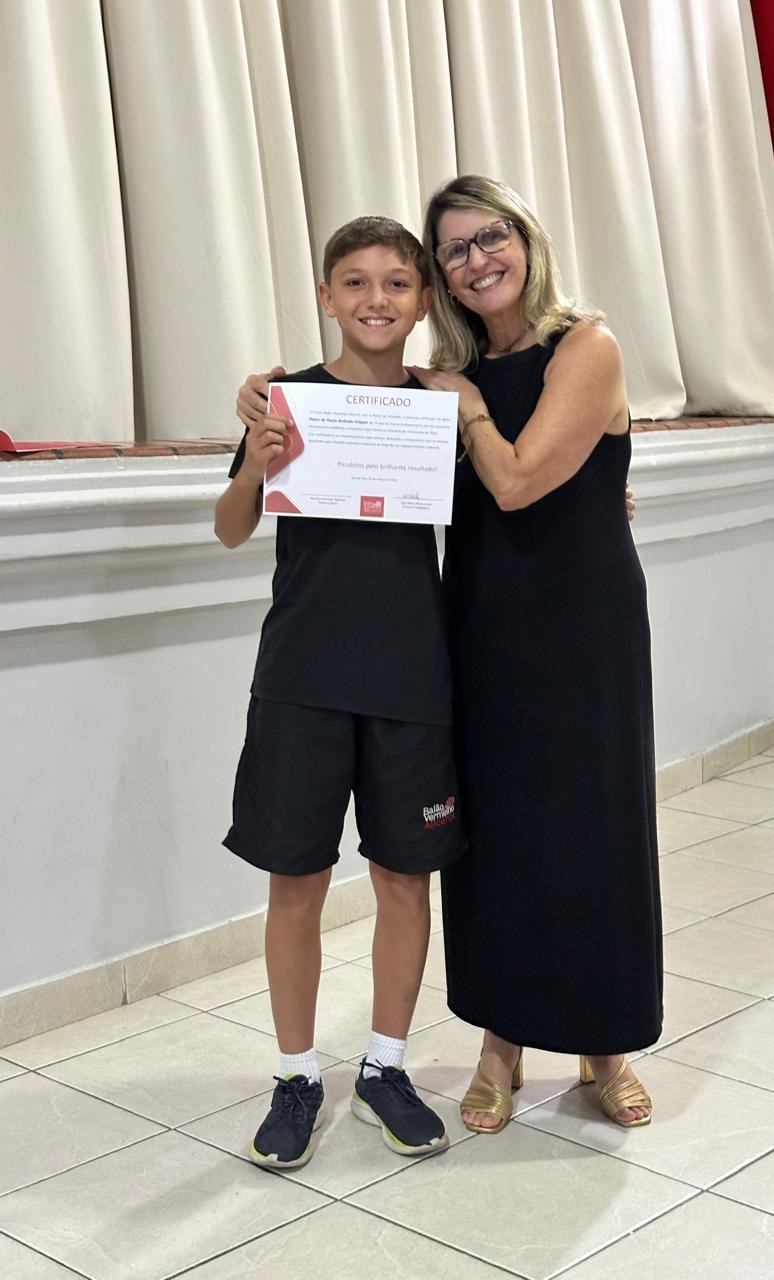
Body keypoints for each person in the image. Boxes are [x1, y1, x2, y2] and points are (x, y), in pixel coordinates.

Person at [410, 175, 662, 1133]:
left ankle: (606, 1044)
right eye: (455, 249)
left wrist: (468, 405)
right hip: (482, 621)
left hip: (584, 627)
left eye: (492, 237)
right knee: (496, 834)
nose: (478, 260)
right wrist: (258, 397)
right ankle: (500, 1045)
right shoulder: (448, 378)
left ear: (527, 239)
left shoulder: (586, 345)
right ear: (441, 274)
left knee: (593, 827)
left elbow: (515, 483)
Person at [215, 216, 464, 1170]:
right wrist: (258, 458)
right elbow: (230, 527)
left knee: (405, 878)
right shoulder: (286, 402)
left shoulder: (443, 405)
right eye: (354, 282)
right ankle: (294, 1077)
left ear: (423, 300)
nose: (375, 300)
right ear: (326, 296)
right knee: (297, 881)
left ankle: (385, 1069)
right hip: (303, 679)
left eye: (397, 283)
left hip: (412, 678)